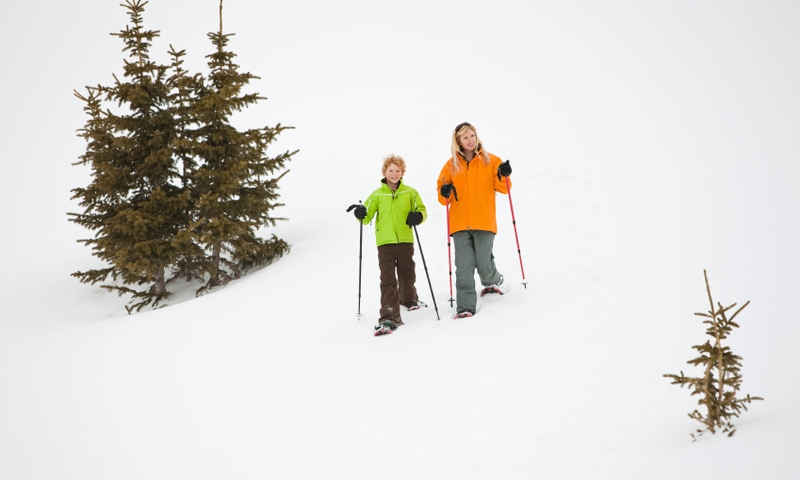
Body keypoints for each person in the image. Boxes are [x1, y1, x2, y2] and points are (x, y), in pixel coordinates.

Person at [437, 122, 512, 319]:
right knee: (464, 266)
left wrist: (504, 173)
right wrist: (445, 192)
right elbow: (443, 198)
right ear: (458, 142)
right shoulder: (451, 166)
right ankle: (465, 307)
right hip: (460, 223)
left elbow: (504, 188)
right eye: (465, 137)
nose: (470, 140)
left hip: (484, 221)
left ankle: (494, 280)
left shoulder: (491, 161)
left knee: (483, 263)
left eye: (472, 136)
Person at [352, 154, 428, 335]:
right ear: (384, 172)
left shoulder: (410, 192)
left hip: (405, 240)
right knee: (388, 279)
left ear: (403, 173)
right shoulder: (377, 194)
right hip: (385, 243)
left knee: (407, 273)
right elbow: (367, 216)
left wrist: (418, 216)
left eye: (398, 170)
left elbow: (422, 210)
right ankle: (389, 315)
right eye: (391, 170)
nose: (394, 174)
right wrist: (360, 213)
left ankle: (409, 299)